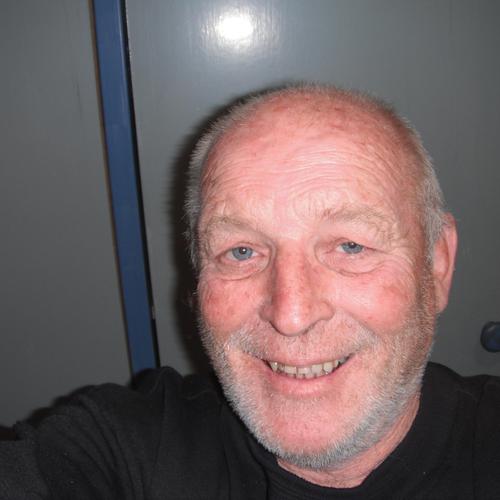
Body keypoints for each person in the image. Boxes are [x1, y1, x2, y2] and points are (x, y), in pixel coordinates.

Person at [1, 84, 499, 499]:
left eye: (350, 245)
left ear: (437, 264)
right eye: (241, 251)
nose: (291, 314)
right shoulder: (120, 447)